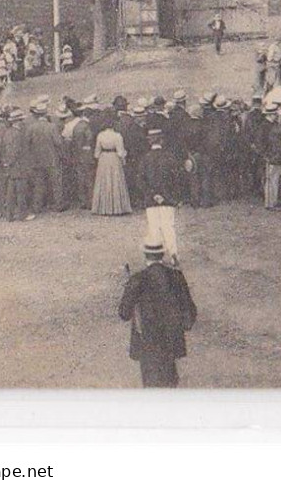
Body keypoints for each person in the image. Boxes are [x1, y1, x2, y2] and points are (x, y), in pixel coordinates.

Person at [118, 242, 197, 388]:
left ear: (145, 256)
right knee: (170, 382)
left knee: (151, 385)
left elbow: (124, 314)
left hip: (147, 343)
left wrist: (128, 289)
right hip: (171, 342)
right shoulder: (176, 276)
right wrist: (182, 326)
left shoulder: (137, 279)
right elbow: (189, 312)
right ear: (162, 254)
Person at [137, 127, 189, 261]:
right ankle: (173, 254)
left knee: (154, 227)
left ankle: (156, 257)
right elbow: (177, 179)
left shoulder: (145, 159)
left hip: (151, 199)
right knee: (169, 226)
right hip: (168, 199)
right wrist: (171, 197)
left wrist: (153, 194)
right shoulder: (170, 158)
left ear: (150, 142)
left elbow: (141, 181)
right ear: (162, 140)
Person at [24, 97, 66, 212]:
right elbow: (58, 142)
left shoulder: (31, 128)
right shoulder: (51, 127)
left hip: (37, 159)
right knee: (56, 183)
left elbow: (27, 144)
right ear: (46, 113)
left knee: (39, 184)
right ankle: (58, 205)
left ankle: (37, 206)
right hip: (52, 159)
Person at [91, 110, 132, 216]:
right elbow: (120, 152)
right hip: (114, 158)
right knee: (115, 180)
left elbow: (96, 152)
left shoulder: (100, 135)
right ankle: (116, 207)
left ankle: (103, 206)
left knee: (104, 181)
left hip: (103, 159)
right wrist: (124, 157)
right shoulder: (117, 136)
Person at [0, 108, 33, 221]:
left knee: (10, 192)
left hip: (11, 167)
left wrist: (6, 163)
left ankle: (9, 215)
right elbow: (15, 151)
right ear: (18, 121)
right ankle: (22, 214)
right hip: (19, 166)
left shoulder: (8, 132)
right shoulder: (17, 134)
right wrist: (10, 162)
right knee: (21, 192)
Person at [258, 101, 281, 210]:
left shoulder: (272, 125)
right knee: (271, 179)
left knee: (274, 178)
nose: (276, 116)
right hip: (271, 155)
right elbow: (261, 143)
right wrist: (266, 154)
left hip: (276, 155)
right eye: (275, 114)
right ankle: (270, 203)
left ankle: (273, 201)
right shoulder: (264, 126)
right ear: (270, 114)